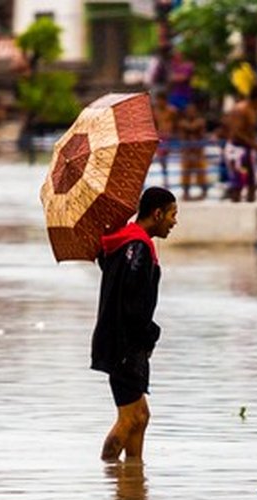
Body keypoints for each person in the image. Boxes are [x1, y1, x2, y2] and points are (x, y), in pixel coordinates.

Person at [91, 187, 178, 462]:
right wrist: (151, 334)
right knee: (130, 419)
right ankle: (109, 472)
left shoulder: (123, 243)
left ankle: (132, 479)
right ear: (157, 213)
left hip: (119, 341)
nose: (174, 222)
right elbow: (133, 305)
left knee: (140, 416)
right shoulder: (138, 247)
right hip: (124, 344)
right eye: (172, 215)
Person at [224, 84, 257, 202]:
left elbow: (249, 132)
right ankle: (235, 215)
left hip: (248, 150)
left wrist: (255, 144)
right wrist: (255, 145)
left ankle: (250, 214)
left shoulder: (252, 110)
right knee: (238, 185)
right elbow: (236, 132)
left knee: (252, 184)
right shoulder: (241, 109)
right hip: (237, 150)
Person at [176, 102, 208, 201]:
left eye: (192, 111)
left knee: (201, 173)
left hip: (198, 151)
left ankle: (203, 193)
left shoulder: (200, 121)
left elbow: (194, 127)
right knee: (186, 173)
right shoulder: (182, 123)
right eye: (189, 111)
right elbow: (187, 129)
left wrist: (190, 128)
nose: (191, 113)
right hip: (187, 151)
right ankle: (186, 193)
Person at [153, 92, 178, 186]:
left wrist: (174, 134)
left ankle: (166, 178)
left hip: (169, 136)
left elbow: (176, 123)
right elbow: (155, 124)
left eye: (161, 100)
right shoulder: (155, 111)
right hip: (160, 136)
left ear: (165, 100)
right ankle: (165, 178)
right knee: (162, 159)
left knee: (165, 158)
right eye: (158, 100)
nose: (159, 102)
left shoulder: (172, 110)